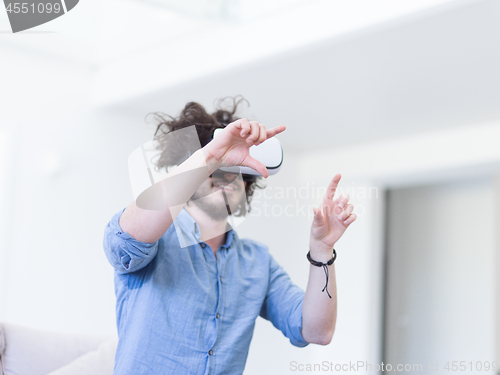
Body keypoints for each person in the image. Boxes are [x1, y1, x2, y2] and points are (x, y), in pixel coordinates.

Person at [103, 97, 357, 375]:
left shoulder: (258, 261)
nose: (228, 177)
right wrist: (211, 155)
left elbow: (316, 331)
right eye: (219, 169)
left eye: (239, 172)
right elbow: (124, 241)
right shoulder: (156, 237)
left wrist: (322, 250)